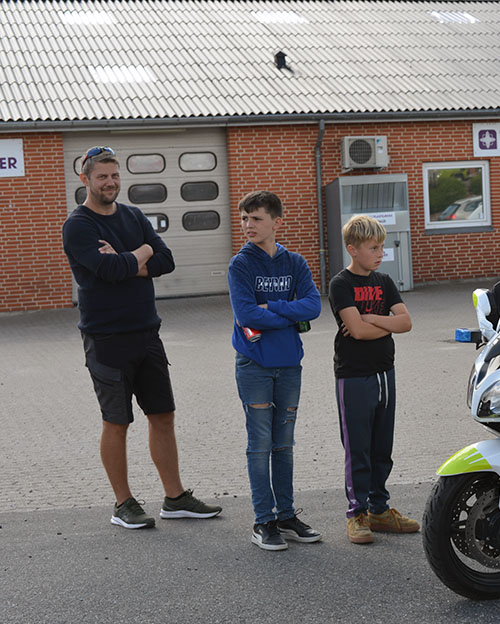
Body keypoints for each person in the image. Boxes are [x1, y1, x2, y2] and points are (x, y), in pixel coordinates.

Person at [61, 146, 221, 529]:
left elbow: (165, 260)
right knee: (117, 422)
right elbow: (107, 268)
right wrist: (140, 254)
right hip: (106, 339)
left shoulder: (133, 215)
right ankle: (123, 503)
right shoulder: (79, 225)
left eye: (114, 175)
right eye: (102, 176)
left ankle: (175, 497)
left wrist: (133, 255)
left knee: (163, 415)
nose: (110, 182)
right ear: (85, 179)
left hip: (147, 333)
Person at [228, 191, 323, 550]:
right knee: (260, 444)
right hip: (254, 365)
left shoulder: (294, 262)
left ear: (276, 223)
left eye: (256, 218)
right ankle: (263, 521)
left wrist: (274, 307)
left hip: (289, 367)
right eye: (244, 219)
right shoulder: (241, 265)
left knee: (284, 445)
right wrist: (287, 315)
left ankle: (286, 515)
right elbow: (247, 314)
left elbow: (313, 306)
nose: (248, 225)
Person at [329, 215, 417, 544]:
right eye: (373, 248)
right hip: (354, 377)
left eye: (381, 246)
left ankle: (380, 510)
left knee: (383, 446)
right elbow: (357, 331)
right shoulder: (341, 284)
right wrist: (381, 323)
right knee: (358, 449)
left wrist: (372, 317)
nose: (380, 253)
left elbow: (406, 322)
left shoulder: (384, 281)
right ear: (352, 249)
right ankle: (357, 514)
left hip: (385, 373)